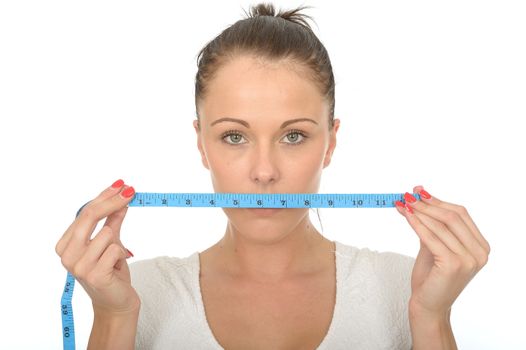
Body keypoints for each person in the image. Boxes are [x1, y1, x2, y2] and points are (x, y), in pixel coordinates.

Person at [55, 3, 491, 349]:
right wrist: (114, 319)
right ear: (201, 144)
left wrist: (431, 319)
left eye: (294, 136)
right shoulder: (136, 292)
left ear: (331, 143)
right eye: (233, 137)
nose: (264, 173)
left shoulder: (405, 288)